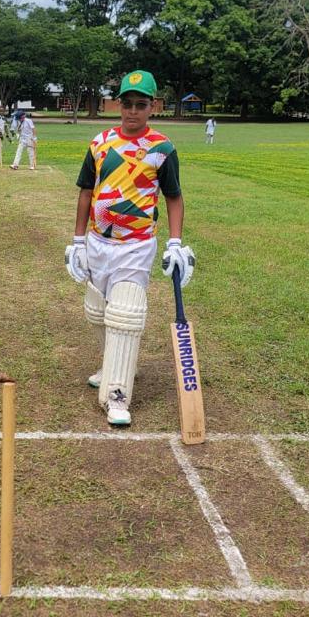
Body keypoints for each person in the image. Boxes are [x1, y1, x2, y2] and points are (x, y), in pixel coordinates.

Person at [64, 69, 195, 427]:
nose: (133, 111)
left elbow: (174, 197)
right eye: (127, 104)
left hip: (135, 246)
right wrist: (77, 241)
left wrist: (175, 243)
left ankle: (117, 395)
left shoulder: (162, 149)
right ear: (118, 104)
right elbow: (86, 192)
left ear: (152, 106)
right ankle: (115, 362)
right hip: (97, 242)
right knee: (97, 311)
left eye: (141, 105)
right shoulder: (100, 142)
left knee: (125, 312)